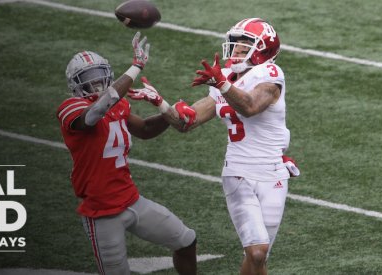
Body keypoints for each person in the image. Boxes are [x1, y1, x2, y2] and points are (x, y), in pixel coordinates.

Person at [128, 18, 300, 275]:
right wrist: (161, 103)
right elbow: (187, 122)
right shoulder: (226, 80)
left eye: (245, 45)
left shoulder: (271, 75)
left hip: (273, 174)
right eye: (236, 44)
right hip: (238, 172)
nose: (236, 50)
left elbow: (251, 106)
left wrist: (222, 83)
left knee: (257, 260)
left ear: (263, 49)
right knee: (257, 250)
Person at [56, 32, 197, 275]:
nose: (97, 83)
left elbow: (144, 129)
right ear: (76, 85)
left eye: (100, 75)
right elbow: (96, 112)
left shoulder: (118, 104)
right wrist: (136, 67)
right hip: (100, 212)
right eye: (89, 79)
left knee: (186, 241)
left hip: (131, 200)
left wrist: (167, 110)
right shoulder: (71, 108)